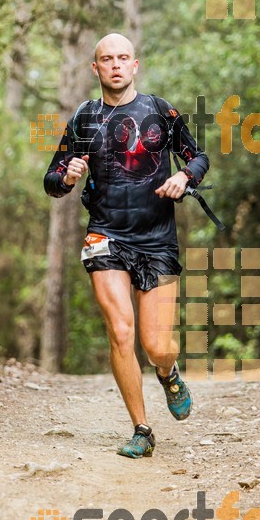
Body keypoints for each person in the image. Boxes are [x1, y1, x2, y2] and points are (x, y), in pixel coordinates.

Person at [44, 33, 209, 459]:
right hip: (106, 236)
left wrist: (184, 177)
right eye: (106, 59)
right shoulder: (84, 118)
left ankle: (169, 374)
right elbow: (52, 181)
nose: (115, 65)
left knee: (156, 345)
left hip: (157, 239)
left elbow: (198, 157)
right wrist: (67, 176)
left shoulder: (159, 111)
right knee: (121, 331)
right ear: (95, 69)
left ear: (135, 65)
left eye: (123, 58)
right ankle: (142, 428)